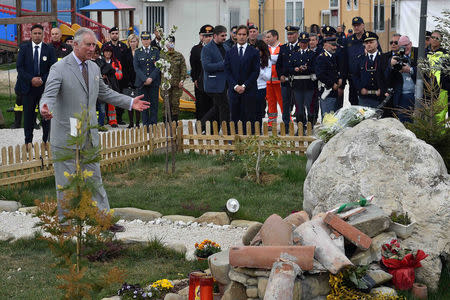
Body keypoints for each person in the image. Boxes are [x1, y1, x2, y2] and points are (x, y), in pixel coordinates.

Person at [39, 27, 150, 232]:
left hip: (89, 133)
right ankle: (67, 224)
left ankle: (103, 220)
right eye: (88, 45)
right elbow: (49, 94)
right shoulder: (59, 68)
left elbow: (105, 93)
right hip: (66, 135)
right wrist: (44, 108)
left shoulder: (93, 68)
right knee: (66, 181)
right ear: (75, 44)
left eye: (94, 45)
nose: (92, 49)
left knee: (95, 178)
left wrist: (129, 101)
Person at [16, 24, 57, 146]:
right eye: (35, 33)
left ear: (43, 35)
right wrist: (31, 79)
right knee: (28, 116)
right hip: (28, 88)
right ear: (31, 34)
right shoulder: (24, 48)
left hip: (44, 89)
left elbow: (53, 68)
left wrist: (42, 80)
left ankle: (46, 141)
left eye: (40, 33)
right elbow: (19, 67)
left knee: (45, 115)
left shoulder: (49, 49)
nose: (37, 35)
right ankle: (28, 141)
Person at [225, 25, 260, 132]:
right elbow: (227, 71)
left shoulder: (254, 52)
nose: (241, 37)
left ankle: (249, 142)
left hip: (249, 90)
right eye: (239, 34)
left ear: (248, 36)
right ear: (235, 36)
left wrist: (244, 86)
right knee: (234, 117)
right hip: (234, 91)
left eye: (244, 34)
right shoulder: (230, 52)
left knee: (249, 117)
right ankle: (234, 141)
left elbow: (255, 71)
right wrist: (235, 86)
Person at [200, 25, 230, 132]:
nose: (224, 37)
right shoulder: (207, 49)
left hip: (225, 83)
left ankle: (202, 124)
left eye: (225, 35)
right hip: (214, 84)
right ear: (215, 36)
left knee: (218, 107)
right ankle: (226, 131)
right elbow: (207, 66)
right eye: (222, 35)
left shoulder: (226, 47)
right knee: (224, 106)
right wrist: (223, 64)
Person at [386, 35, 417, 122]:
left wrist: (410, 70)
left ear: (410, 44)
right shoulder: (395, 57)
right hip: (403, 95)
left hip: (418, 94)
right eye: (401, 46)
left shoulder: (419, 53)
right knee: (405, 122)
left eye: (406, 45)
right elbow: (387, 77)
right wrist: (391, 66)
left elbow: (425, 71)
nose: (404, 48)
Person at [353, 31, 388, 108]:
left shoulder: (384, 58)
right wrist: (360, 88)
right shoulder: (360, 59)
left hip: (380, 98)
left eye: (371, 42)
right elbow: (355, 76)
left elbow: (387, 76)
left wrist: (382, 90)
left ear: (377, 43)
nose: (369, 44)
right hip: (364, 98)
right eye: (366, 43)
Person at [134, 31, 161, 127]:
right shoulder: (137, 52)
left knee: (154, 104)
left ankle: (153, 124)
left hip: (153, 82)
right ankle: (145, 125)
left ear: (150, 40)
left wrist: (151, 78)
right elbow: (136, 68)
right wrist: (145, 79)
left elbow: (158, 66)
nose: (146, 41)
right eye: (144, 39)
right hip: (142, 83)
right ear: (141, 40)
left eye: (147, 39)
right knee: (144, 104)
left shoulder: (156, 51)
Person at [290, 32, 316, 132]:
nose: (303, 44)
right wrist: (295, 69)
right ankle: (300, 128)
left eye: (305, 42)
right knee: (299, 109)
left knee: (310, 108)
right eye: (301, 42)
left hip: (309, 84)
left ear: (308, 43)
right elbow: (289, 68)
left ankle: (309, 128)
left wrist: (307, 68)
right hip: (297, 84)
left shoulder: (312, 54)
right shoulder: (294, 54)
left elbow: (315, 68)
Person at [102, 27, 128, 124]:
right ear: (110, 34)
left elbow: (126, 63)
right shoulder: (105, 46)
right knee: (107, 99)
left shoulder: (123, 46)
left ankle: (119, 118)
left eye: (116, 33)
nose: (115, 35)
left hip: (120, 78)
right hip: (108, 79)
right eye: (113, 33)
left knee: (119, 98)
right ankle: (108, 119)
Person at [276, 25, 300, 129]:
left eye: (292, 34)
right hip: (285, 81)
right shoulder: (284, 48)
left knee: (299, 103)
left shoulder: (301, 47)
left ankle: (300, 125)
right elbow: (278, 64)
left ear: (297, 34)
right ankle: (286, 125)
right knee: (286, 104)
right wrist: (280, 75)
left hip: (298, 81)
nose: (289, 36)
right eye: (288, 34)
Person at [190, 24, 214, 122]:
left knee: (213, 105)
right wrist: (195, 79)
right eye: (205, 36)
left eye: (210, 36)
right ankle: (201, 126)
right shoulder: (196, 49)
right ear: (201, 37)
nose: (208, 38)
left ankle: (214, 127)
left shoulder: (218, 48)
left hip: (214, 82)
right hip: (201, 82)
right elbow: (194, 66)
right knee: (201, 105)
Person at [161, 36, 188, 122]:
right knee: (166, 103)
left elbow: (183, 69)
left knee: (175, 103)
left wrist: (182, 80)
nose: (170, 44)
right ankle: (166, 121)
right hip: (165, 84)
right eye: (169, 43)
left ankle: (174, 121)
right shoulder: (162, 55)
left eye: (172, 42)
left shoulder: (179, 56)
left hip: (177, 84)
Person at [315, 36, 341, 118]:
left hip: (334, 91)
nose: (335, 47)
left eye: (335, 45)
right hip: (327, 91)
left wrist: (339, 78)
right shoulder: (322, 57)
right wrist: (332, 84)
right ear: (325, 45)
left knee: (333, 116)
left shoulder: (332, 57)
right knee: (327, 117)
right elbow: (320, 75)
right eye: (332, 45)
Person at [425, 30, 448, 122]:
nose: (434, 40)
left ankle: (439, 136)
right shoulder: (424, 53)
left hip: (441, 90)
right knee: (425, 116)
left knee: (439, 116)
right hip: (426, 89)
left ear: (441, 40)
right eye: (432, 37)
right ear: (429, 39)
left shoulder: (446, 54)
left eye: (437, 38)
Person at [346, 17, 368, 106]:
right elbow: (345, 59)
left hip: (366, 77)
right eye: (354, 26)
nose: (356, 28)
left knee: (365, 102)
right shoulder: (349, 40)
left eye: (358, 25)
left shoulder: (369, 38)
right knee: (353, 101)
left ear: (363, 25)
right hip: (352, 78)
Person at [265, 29, 283, 129]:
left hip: (279, 81)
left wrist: (270, 59)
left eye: (268, 37)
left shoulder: (282, 48)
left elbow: (280, 61)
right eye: (266, 37)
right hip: (268, 81)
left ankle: (286, 121)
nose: (266, 39)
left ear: (275, 37)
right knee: (271, 103)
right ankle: (271, 123)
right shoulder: (265, 48)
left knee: (282, 102)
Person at [123, 33, 141, 128]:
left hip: (139, 81)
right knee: (130, 102)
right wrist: (128, 81)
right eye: (131, 41)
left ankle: (138, 122)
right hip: (128, 81)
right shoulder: (125, 52)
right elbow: (124, 68)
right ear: (128, 42)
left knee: (138, 102)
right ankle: (131, 122)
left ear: (137, 42)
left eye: (134, 41)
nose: (133, 43)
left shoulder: (141, 52)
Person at [102, 45, 121, 128]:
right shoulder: (100, 61)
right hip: (101, 84)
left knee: (111, 104)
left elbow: (120, 75)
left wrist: (109, 75)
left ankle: (113, 121)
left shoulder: (116, 62)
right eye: (106, 51)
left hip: (112, 85)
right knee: (101, 104)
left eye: (109, 51)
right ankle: (101, 121)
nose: (108, 53)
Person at [255, 40, 272, 125]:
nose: (257, 53)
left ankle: (258, 128)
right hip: (250, 87)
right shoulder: (251, 59)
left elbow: (267, 77)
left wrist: (259, 69)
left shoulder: (267, 61)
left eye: (258, 51)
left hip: (261, 87)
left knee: (259, 110)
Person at [92, 45, 107, 131]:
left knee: (102, 109)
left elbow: (109, 69)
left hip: (100, 89)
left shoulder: (101, 61)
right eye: (95, 53)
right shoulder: (87, 62)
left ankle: (101, 124)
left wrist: (103, 74)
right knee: (93, 109)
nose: (96, 55)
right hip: (92, 90)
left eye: (97, 53)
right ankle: (93, 125)